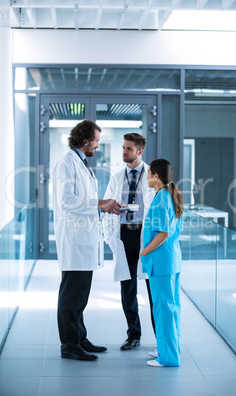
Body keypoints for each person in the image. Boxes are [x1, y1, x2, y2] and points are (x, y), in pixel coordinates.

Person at [53, 119, 123, 361]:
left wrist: (103, 206)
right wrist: (100, 204)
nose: (97, 146)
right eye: (96, 141)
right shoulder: (67, 163)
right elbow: (67, 201)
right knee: (72, 296)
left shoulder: (80, 162)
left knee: (80, 296)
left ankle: (80, 338)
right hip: (74, 240)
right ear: (84, 140)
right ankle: (69, 346)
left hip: (84, 239)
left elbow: (85, 200)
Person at [103, 133, 155, 351]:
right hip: (125, 235)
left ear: (140, 152)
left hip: (147, 237)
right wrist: (109, 237)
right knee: (127, 288)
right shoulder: (117, 176)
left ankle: (162, 338)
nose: (124, 152)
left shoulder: (152, 174)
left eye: (129, 149)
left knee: (154, 289)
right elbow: (106, 206)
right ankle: (133, 335)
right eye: (123, 148)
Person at [141, 159, 184, 367]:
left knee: (163, 308)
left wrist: (144, 251)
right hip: (171, 261)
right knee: (172, 307)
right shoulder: (169, 195)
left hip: (161, 262)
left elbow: (163, 234)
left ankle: (167, 358)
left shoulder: (160, 199)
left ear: (156, 175)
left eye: (149, 172)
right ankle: (169, 350)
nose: (147, 175)